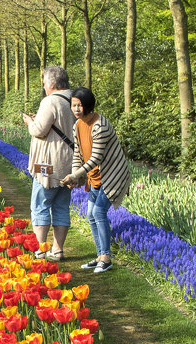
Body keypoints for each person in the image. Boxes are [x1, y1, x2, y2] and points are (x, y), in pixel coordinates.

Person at [61, 87, 131, 273]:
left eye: (79, 105)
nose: (76, 109)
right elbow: (78, 153)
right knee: (91, 214)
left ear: (88, 106)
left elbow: (95, 159)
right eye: (73, 105)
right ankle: (100, 255)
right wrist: (75, 173)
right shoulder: (77, 125)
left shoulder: (100, 126)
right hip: (95, 177)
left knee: (99, 212)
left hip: (112, 176)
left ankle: (106, 258)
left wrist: (75, 175)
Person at [24, 65, 75, 263]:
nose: (44, 86)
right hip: (70, 162)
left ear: (52, 83)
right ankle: (58, 250)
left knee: (40, 204)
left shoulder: (50, 100)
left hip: (48, 163)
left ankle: (40, 250)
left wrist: (30, 122)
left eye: (45, 82)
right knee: (62, 206)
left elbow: (39, 131)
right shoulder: (74, 98)